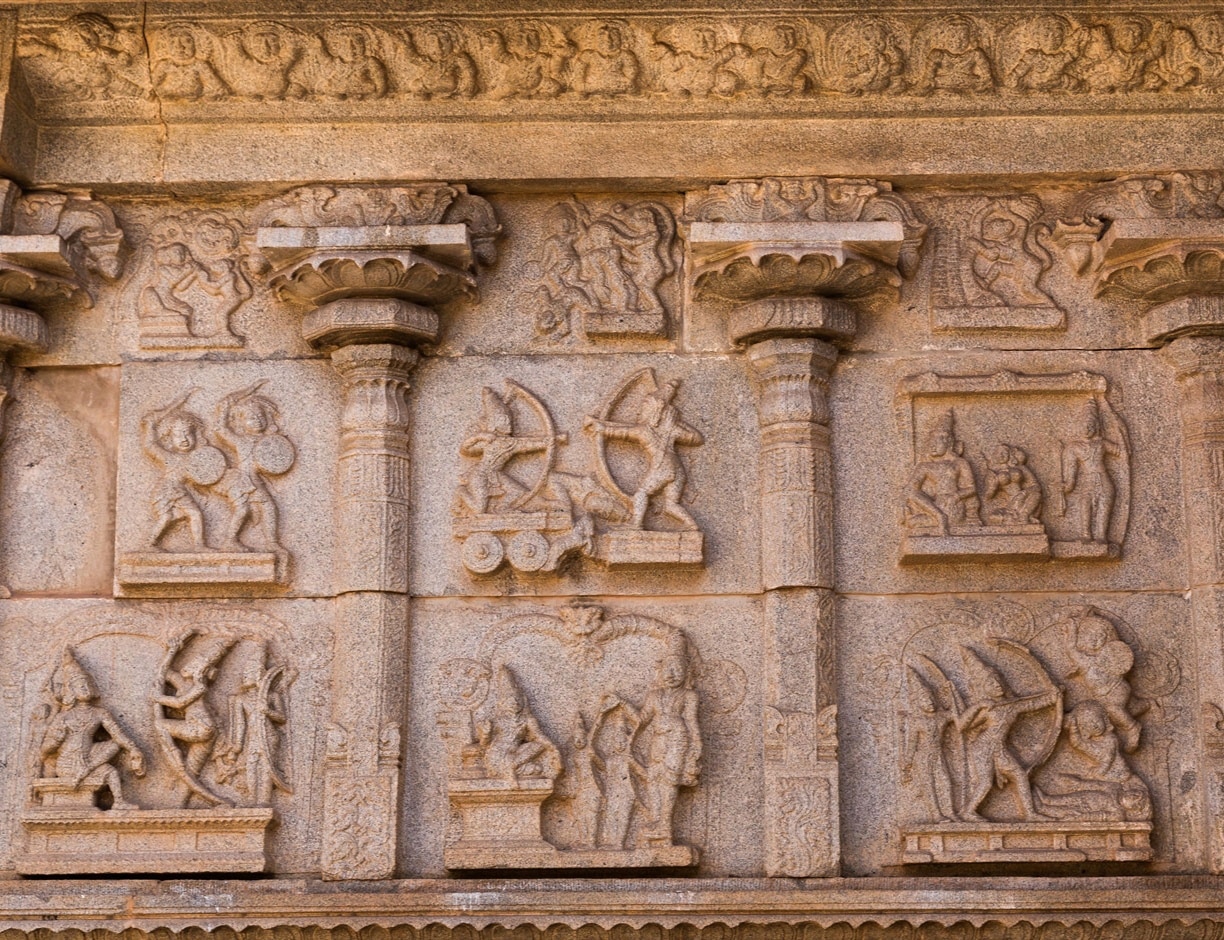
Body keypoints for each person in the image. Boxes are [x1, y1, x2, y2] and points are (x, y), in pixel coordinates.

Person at [584, 379, 703, 530]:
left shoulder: (644, 431)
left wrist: (599, 428)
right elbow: (696, 438)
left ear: (655, 411)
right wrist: (676, 423)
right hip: (678, 470)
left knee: (642, 493)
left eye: (645, 406)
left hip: (663, 466)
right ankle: (692, 526)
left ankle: (636, 524)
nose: (641, 409)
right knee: (671, 505)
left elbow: (621, 432)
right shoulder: (672, 429)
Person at [956, 649, 1059, 821]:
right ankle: (968, 811)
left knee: (1019, 775)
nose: (997, 685)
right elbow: (962, 726)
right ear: (984, 688)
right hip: (983, 747)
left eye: (998, 681)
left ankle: (1031, 814)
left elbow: (1033, 704)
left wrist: (1053, 697)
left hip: (999, 748)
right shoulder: (989, 709)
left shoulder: (1012, 706)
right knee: (985, 782)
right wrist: (978, 706)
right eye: (991, 683)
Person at [39, 647, 145, 808]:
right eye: (80, 685)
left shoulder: (99, 713)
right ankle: (86, 772)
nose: (85, 688)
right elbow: (45, 750)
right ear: (71, 691)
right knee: (108, 768)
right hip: (68, 763)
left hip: (89, 759)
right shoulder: (64, 717)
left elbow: (117, 734)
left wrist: (133, 749)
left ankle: (118, 802)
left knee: (113, 755)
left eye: (87, 684)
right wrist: (56, 741)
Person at [630, 650, 700, 846]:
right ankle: (656, 821)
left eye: (677, 669)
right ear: (660, 672)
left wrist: (697, 745)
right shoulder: (654, 696)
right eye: (667, 669)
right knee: (654, 778)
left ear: (686, 672)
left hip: (677, 739)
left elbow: (691, 721)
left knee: (669, 780)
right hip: (658, 740)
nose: (671, 674)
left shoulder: (689, 695)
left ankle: (665, 825)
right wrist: (622, 706)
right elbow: (642, 719)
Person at [140, 391, 226, 550]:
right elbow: (150, 445)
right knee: (189, 514)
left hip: (175, 490)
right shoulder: (170, 457)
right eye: (178, 435)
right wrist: (150, 427)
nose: (184, 439)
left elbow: (203, 477)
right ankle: (197, 545)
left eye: (188, 434)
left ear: (196, 436)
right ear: (170, 438)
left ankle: (151, 544)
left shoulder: (194, 459)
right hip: (168, 489)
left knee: (171, 516)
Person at [903, 411, 981, 534]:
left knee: (915, 522)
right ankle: (939, 516)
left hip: (952, 505)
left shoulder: (959, 463)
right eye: (931, 442)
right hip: (934, 507)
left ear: (948, 443)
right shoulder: (925, 466)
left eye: (937, 441)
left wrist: (956, 496)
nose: (932, 446)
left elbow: (972, 488)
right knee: (911, 495)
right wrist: (902, 504)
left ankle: (940, 518)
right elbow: (910, 489)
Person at [1061, 399, 1124, 545]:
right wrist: (1066, 486)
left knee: (1104, 507)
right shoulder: (1073, 448)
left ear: (1096, 426)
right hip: (1087, 482)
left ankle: (1101, 536)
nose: (1087, 428)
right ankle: (1086, 535)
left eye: (1091, 425)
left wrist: (1122, 435)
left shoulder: (1101, 443)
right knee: (1085, 506)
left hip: (1104, 481)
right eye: (1084, 424)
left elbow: (1121, 452)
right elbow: (1071, 476)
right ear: (1079, 426)